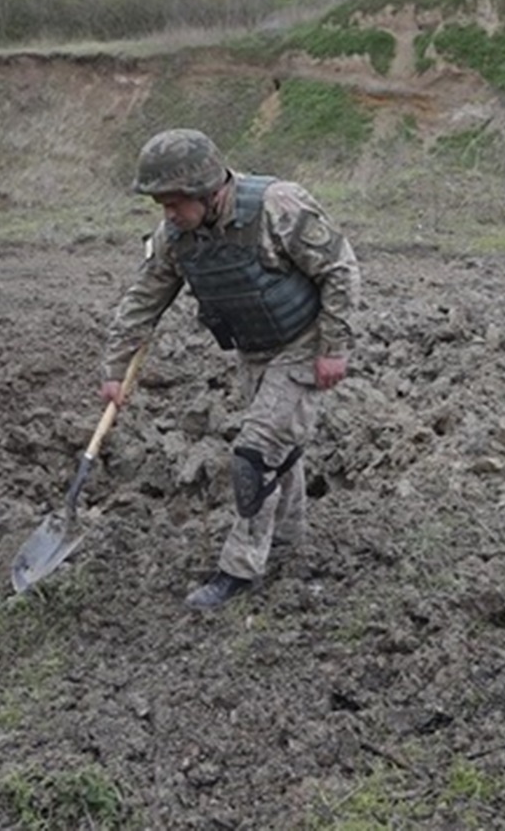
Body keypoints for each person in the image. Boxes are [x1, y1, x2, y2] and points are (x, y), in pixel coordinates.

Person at [99, 128, 361, 610]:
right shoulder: (176, 237)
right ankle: (287, 544)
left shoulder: (277, 206)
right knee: (280, 451)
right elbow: (143, 300)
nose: (168, 214)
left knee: (254, 456)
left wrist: (335, 347)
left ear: (206, 189)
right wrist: (116, 369)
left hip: (303, 343)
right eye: (161, 204)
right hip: (253, 349)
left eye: (174, 202)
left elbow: (339, 269)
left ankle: (240, 570)